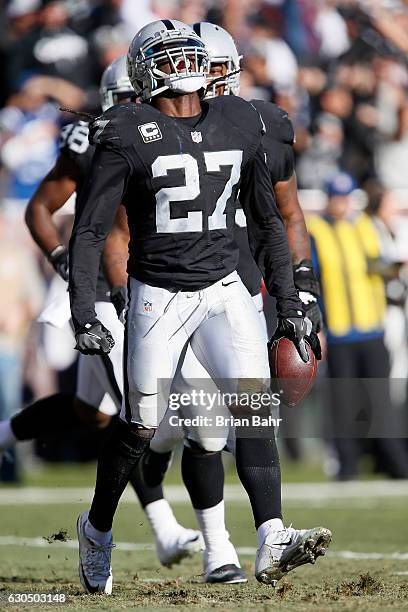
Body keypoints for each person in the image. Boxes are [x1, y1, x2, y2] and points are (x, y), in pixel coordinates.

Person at [69, 19, 329, 594]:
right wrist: (83, 309)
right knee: (141, 422)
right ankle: (98, 529)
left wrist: (289, 300)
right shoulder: (126, 128)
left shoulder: (243, 120)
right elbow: (89, 231)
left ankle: (272, 536)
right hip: (159, 293)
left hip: (224, 288)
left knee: (254, 407)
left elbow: (268, 221)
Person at [0, 55, 203, 568]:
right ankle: (162, 528)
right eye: (135, 101)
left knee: (90, 411)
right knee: (138, 417)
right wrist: (62, 260)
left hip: (143, 284)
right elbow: (42, 208)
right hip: (103, 294)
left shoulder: (170, 137)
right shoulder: (96, 139)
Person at [307, 172, 408, 480]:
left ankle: (392, 461)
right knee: (344, 402)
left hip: (371, 328)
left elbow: (373, 265)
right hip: (339, 331)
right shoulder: (317, 232)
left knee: (380, 400)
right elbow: (313, 281)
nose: (341, 204)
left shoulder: (364, 227)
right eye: (336, 198)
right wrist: (319, 327)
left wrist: (395, 268)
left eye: (344, 197)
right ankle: (347, 464)